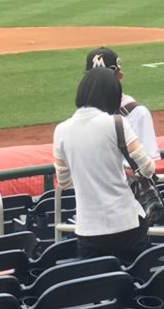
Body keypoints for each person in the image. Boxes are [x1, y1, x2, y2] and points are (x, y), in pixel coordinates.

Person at [53, 66, 155, 262]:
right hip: (127, 223)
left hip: (88, 229)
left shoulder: (61, 131)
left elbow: (63, 182)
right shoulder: (116, 123)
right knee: (136, 283)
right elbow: (147, 168)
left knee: (98, 287)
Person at [83, 47, 161, 161]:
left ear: (119, 76)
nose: (98, 83)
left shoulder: (138, 114)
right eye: (93, 78)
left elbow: (150, 163)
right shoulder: (84, 113)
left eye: (104, 78)